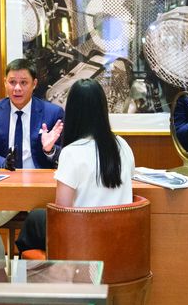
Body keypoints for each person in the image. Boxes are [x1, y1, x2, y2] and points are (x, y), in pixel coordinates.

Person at [15, 78, 136, 253]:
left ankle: (41, 269)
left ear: (71, 112)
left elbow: (62, 212)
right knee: (37, 219)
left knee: (34, 221)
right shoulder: (123, 145)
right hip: (119, 240)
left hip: (83, 240)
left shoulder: (72, 152)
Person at [0, 58, 64, 272]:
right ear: (5, 82)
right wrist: (3, 163)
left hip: (42, 191)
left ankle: (37, 278)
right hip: (8, 189)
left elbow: (65, 156)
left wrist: (49, 150)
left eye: (23, 82)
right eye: (12, 82)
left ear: (34, 84)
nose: (17, 88)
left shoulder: (53, 113)